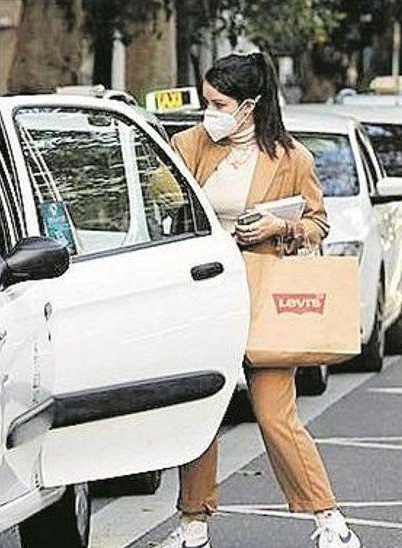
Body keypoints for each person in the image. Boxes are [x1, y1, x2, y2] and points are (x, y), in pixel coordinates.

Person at [153, 52, 361, 548]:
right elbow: (162, 201)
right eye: (206, 102)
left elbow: (317, 224)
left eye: (219, 103)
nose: (210, 113)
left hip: (265, 298)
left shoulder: (293, 159)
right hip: (205, 295)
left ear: (250, 106)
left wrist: (279, 226)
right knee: (204, 411)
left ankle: (329, 519)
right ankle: (193, 523)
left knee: (274, 415)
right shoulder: (188, 145)